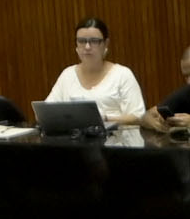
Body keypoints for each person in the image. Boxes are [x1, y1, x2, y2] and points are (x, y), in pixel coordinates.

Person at [39, 15, 149, 145]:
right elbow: (46, 113)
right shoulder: (67, 75)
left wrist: (104, 119)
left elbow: (138, 116)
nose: (87, 47)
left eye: (94, 41)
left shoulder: (122, 74)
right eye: (81, 41)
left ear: (105, 44)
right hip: (75, 147)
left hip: (117, 146)